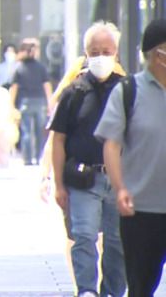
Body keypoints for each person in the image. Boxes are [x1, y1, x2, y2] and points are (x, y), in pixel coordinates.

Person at [50, 22, 127, 297]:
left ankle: (113, 291)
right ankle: (86, 290)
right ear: (86, 53)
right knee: (83, 236)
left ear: (116, 52)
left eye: (106, 50)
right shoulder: (74, 93)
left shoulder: (128, 91)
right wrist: (57, 183)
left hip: (119, 180)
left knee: (118, 241)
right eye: (94, 51)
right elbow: (58, 140)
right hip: (83, 178)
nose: (100, 56)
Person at [96, 18, 166, 297]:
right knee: (141, 286)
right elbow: (111, 144)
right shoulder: (128, 91)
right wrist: (120, 187)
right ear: (159, 54)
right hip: (140, 210)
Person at [10, 39, 53, 165]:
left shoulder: (19, 67)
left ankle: (27, 159)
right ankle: (38, 157)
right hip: (40, 101)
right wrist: (50, 103)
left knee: (26, 131)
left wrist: (11, 104)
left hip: (25, 102)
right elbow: (47, 86)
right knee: (39, 131)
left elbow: (14, 88)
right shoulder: (41, 67)